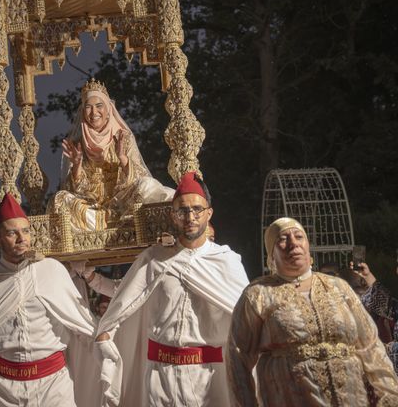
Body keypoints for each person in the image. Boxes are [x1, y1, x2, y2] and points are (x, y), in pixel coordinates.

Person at [95, 172, 249, 406]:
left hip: (207, 376)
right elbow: (122, 302)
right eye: (182, 210)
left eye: (197, 209)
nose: (190, 216)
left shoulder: (226, 261)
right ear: (173, 215)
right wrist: (106, 335)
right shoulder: (153, 258)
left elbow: (247, 317)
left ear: (209, 213)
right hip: (159, 374)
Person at [0, 194, 101, 407]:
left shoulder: (52, 271)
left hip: (53, 386)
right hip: (3, 390)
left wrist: (104, 345)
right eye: (11, 233)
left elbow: (82, 322)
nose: (22, 238)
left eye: (25, 231)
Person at [227, 217, 398, 406]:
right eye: (282, 239)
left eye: (299, 236)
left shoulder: (338, 287)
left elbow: (371, 346)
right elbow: (238, 358)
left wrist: (389, 397)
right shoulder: (257, 294)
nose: (293, 243)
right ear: (271, 254)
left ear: (308, 246)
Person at [47, 78, 174, 231]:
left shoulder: (123, 137)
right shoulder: (76, 143)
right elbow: (73, 191)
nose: (94, 112)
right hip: (91, 209)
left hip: (122, 204)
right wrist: (77, 168)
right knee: (59, 199)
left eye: (99, 106)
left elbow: (139, 177)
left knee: (147, 185)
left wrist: (123, 158)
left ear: (108, 109)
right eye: (88, 107)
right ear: (82, 111)